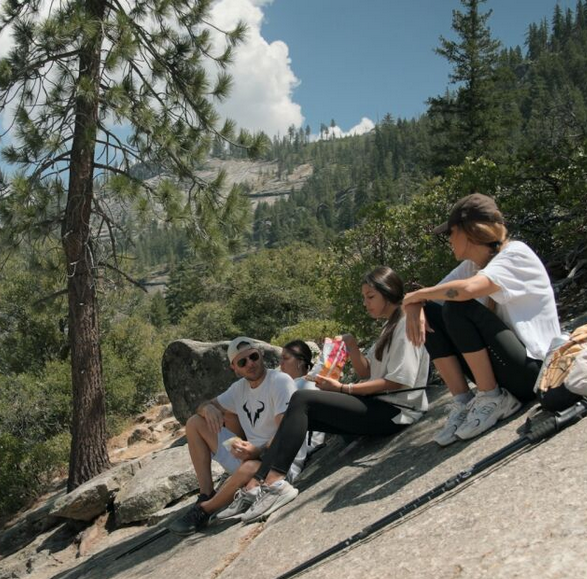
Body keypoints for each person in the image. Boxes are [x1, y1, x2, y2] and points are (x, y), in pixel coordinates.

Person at [237, 267, 430, 523]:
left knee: (303, 399)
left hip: (397, 412)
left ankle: (275, 482)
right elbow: (367, 371)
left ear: (388, 292)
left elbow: (396, 381)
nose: (365, 303)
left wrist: (342, 389)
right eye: (364, 297)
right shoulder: (388, 326)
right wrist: (350, 344)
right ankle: (257, 482)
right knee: (301, 410)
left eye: (370, 297)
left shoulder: (406, 322)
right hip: (380, 407)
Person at [402, 193, 562, 445]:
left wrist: (417, 294)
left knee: (457, 307)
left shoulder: (515, 254)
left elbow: (464, 291)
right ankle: (464, 401)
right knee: (432, 312)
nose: (449, 241)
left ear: (468, 232)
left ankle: (491, 397)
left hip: (534, 372)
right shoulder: (474, 265)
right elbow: (433, 299)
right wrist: (414, 305)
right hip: (506, 369)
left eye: (450, 233)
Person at [169, 337, 298, 535]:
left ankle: (204, 510)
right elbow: (201, 406)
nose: (250, 364)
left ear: (261, 354)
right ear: (234, 368)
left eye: (253, 357)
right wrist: (207, 409)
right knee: (195, 423)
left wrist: (258, 449)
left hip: (278, 462)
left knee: (249, 467)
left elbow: (286, 432)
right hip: (250, 456)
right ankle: (206, 494)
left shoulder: (279, 381)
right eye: (242, 362)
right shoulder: (239, 389)